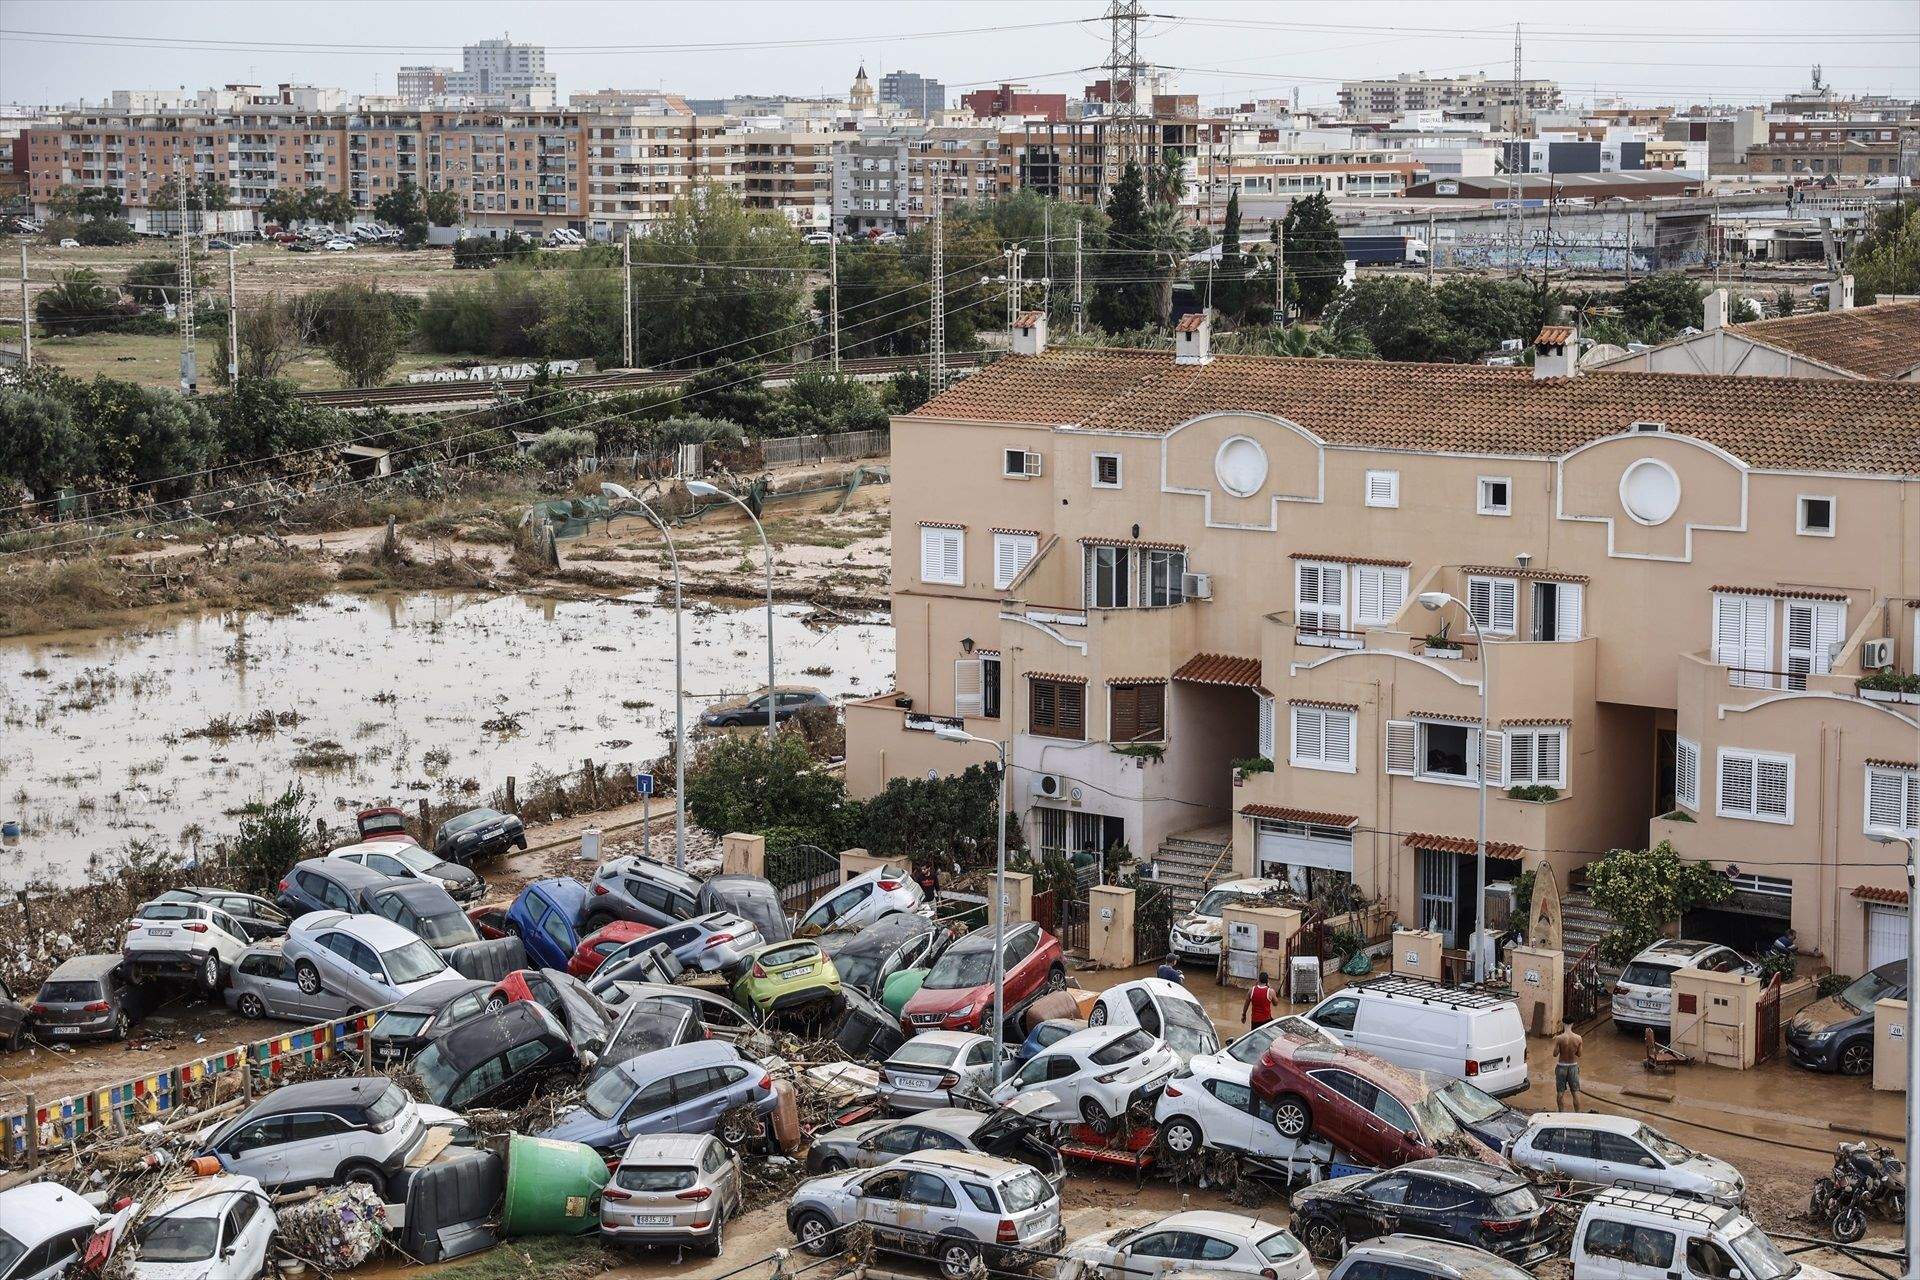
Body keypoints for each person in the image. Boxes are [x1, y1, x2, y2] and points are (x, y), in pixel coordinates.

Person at [1553, 1019, 1585, 1110]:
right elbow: (1579, 1054)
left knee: (1560, 1092)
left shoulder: (1559, 1038)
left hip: (1561, 1067)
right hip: (1573, 1067)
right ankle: (1578, 1114)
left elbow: (1554, 1054)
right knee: (1575, 1092)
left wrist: (1560, 1047)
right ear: (1572, 1024)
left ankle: (1561, 1113)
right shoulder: (1578, 1038)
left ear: (1563, 1023)